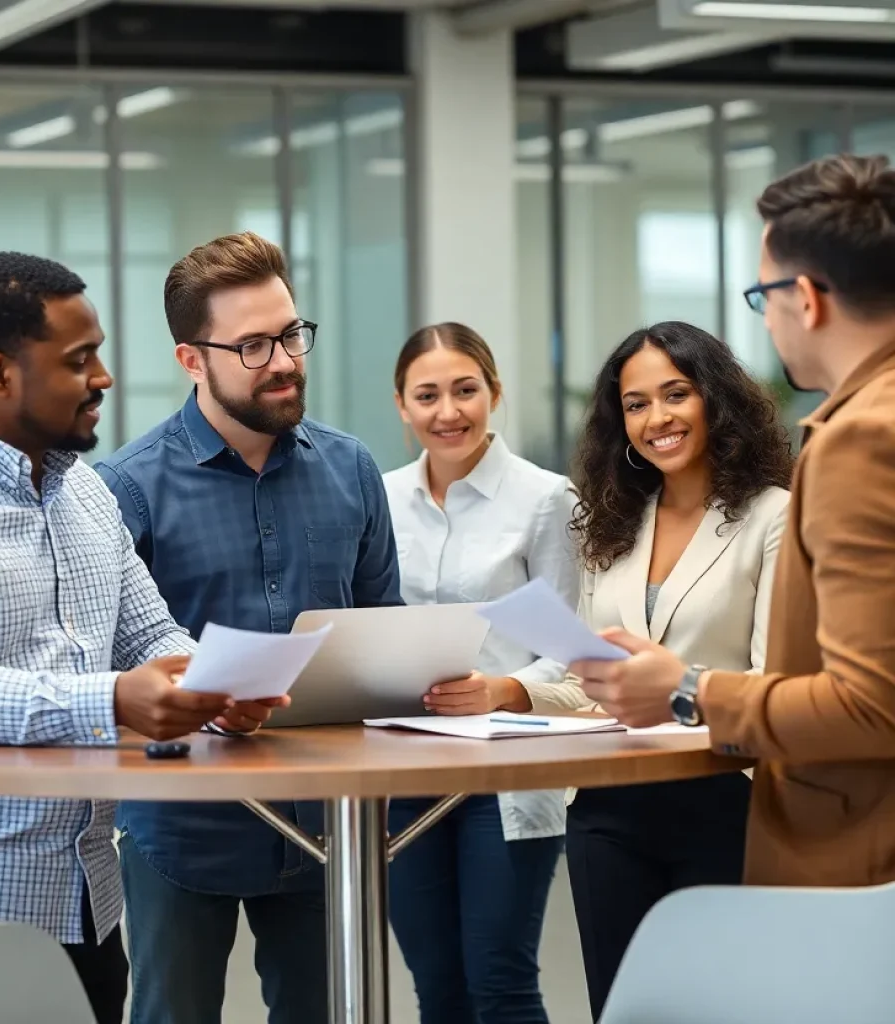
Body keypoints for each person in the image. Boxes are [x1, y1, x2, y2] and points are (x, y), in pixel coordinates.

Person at [0, 251, 267, 1024]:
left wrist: (215, 689)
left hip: (86, 897)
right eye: (79, 360)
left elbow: (150, 635)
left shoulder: (85, 490)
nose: (104, 378)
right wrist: (118, 700)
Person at [95, 231, 402, 1024]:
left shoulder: (352, 469)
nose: (286, 361)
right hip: (181, 826)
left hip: (327, 823)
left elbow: (382, 627)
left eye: (292, 335)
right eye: (255, 344)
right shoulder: (126, 487)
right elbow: (103, 667)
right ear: (192, 359)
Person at [569, 154, 895, 893]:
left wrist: (687, 689)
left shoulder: (862, 437)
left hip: (857, 851)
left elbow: (873, 702)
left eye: (763, 295)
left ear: (805, 297)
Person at [564, 320, 793, 1019]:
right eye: (636, 404)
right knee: (624, 1007)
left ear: (714, 399)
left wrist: (680, 694)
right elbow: (587, 681)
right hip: (608, 807)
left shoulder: (771, 518)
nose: (656, 419)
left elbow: (771, 680)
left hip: (723, 799)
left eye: (676, 394)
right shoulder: (611, 526)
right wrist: (505, 690)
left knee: (720, 1006)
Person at [382, 322, 585, 1024]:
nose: (449, 412)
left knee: (498, 980)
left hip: (506, 771)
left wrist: (502, 689)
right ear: (401, 406)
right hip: (405, 773)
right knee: (435, 987)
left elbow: (573, 648)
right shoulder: (378, 501)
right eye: (427, 395)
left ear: (494, 393)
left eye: (466, 390)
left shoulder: (546, 499)